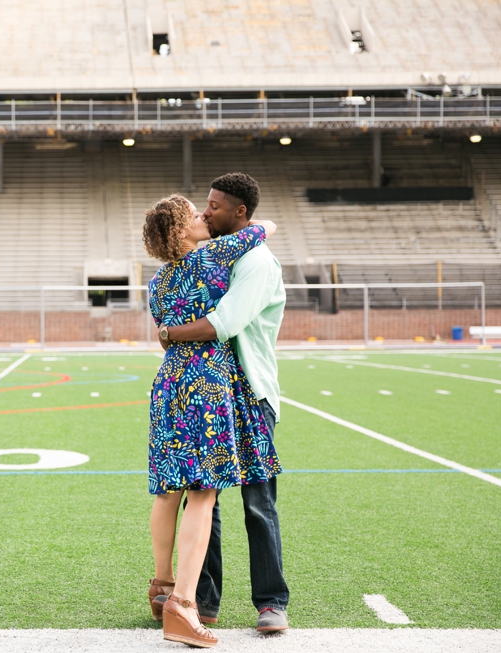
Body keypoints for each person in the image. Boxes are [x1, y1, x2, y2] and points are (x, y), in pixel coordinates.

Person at [143, 194, 282, 648]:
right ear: (182, 232)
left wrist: (167, 335)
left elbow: (165, 335)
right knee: (203, 495)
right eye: (194, 215)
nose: (203, 217)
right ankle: (185, 605)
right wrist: (251, 224)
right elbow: (266, 227)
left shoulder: (158, 282)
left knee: (168, 493)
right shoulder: (212, 260)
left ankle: (162, 587)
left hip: (168, 383)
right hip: (206, 384)